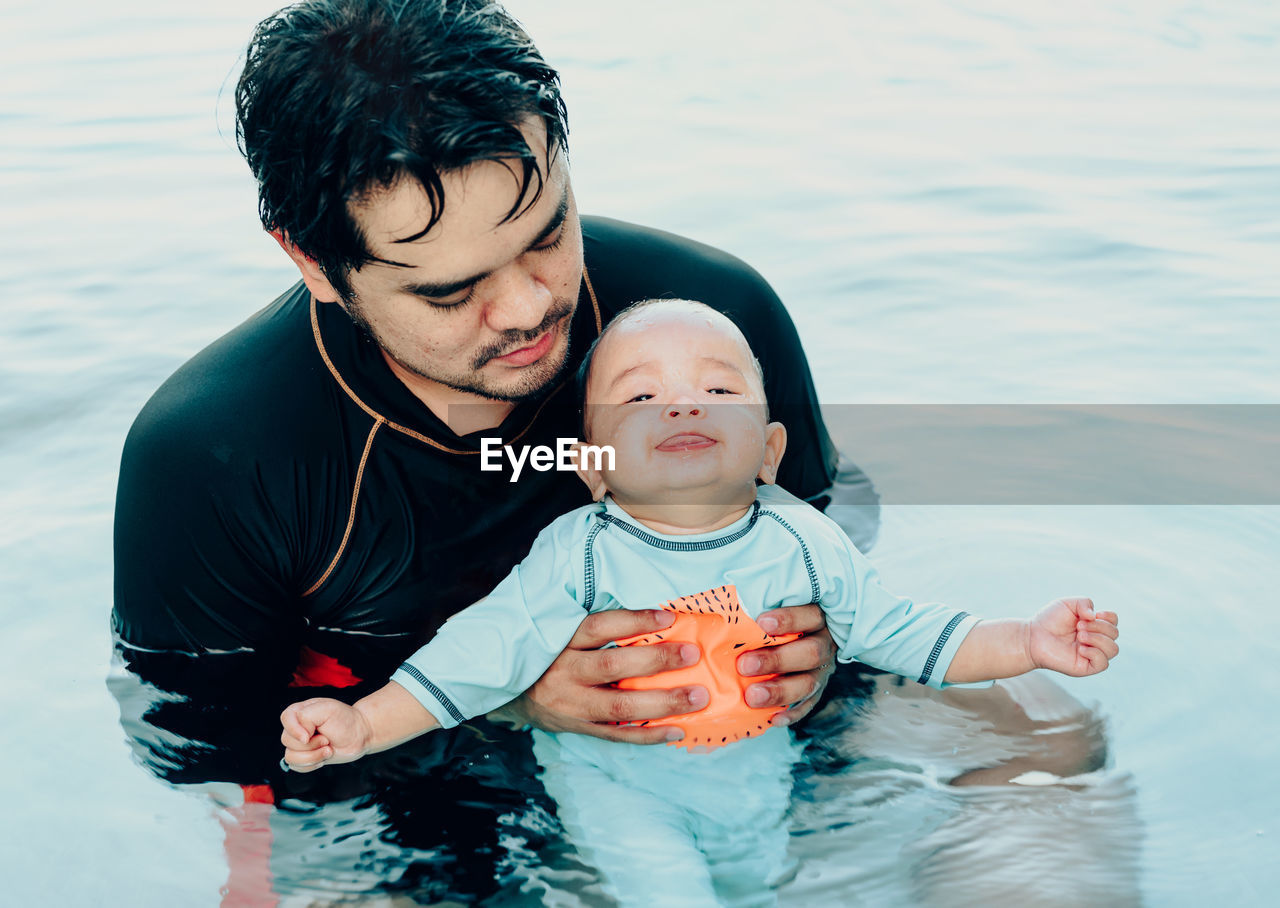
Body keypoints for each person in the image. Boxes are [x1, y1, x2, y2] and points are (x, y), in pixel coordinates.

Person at [109, 0, 854, 894]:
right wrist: (508, 696)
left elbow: (820, 536)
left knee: (1035, 746)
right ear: (311, 260)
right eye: (450, 292)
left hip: (739, 727)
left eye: (546, 235)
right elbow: (205, 743)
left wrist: (821, 647)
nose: (530, 308)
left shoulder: (707, 323)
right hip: (408, 782)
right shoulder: (214, 456)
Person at [276, 300, 1120, 906]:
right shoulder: (581, 552)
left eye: (720, 393)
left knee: (754, 886)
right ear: (595, 465)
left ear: (769, 451)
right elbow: (477, 654)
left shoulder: (801, 542)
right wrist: (362, 723)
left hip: (756, 773)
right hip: (618, 780)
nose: (683, 404)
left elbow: (907, 632)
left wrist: (1027, 640)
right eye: (640, 398)